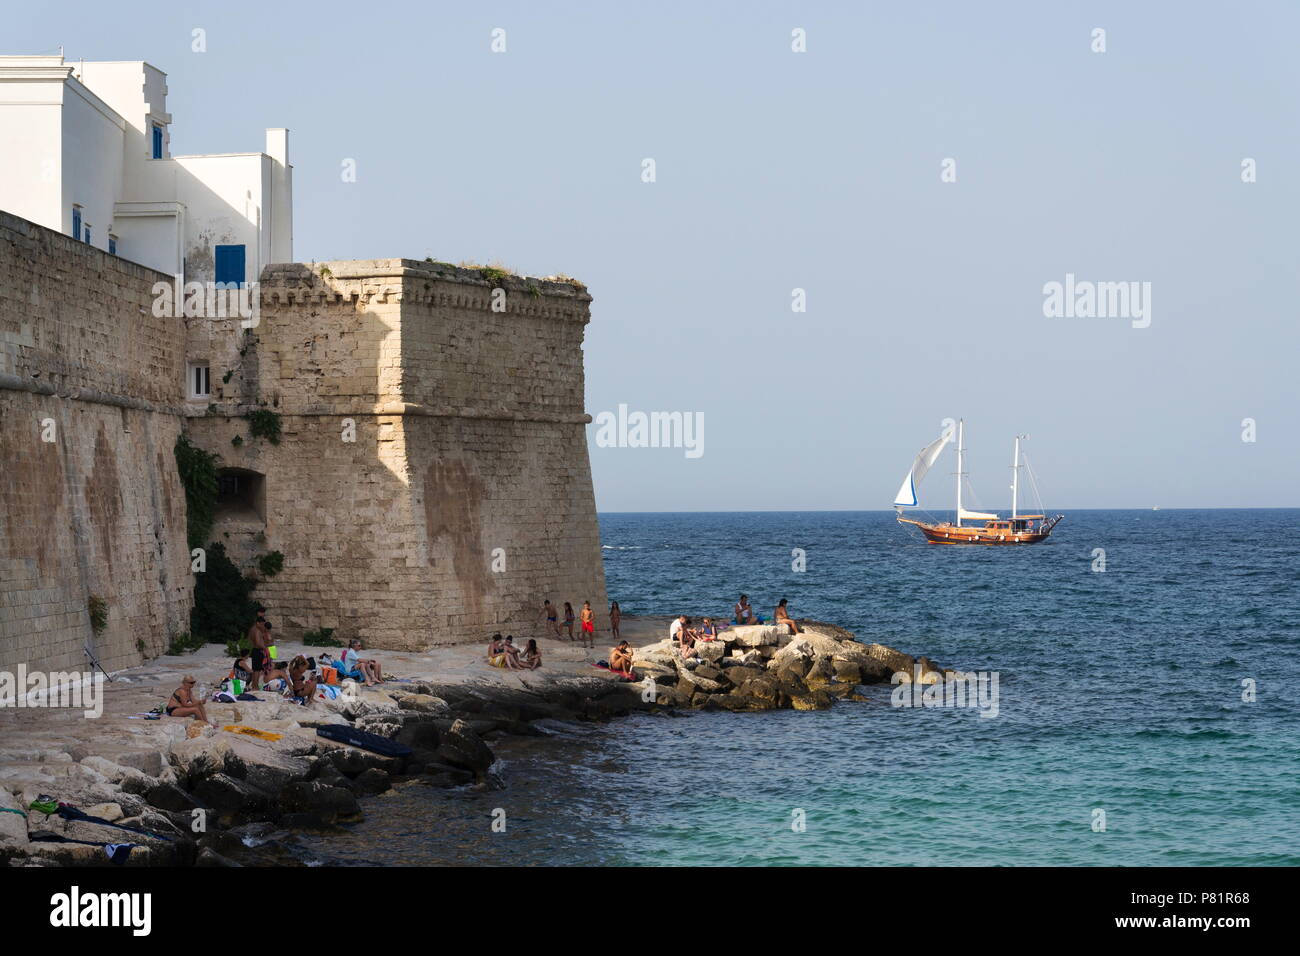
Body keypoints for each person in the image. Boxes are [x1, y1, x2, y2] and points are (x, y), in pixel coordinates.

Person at [247, 607, 269, 689]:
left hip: (254, 650)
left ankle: (254, 685)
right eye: (262, 624)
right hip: (257, 650)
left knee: (255, 669)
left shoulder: (252, 629)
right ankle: (255, 686)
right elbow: (258, 642)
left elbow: (249, 639)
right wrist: (264, 648)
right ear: (258, 623)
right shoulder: (257, 630)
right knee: (257, 670)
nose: (263, 626)